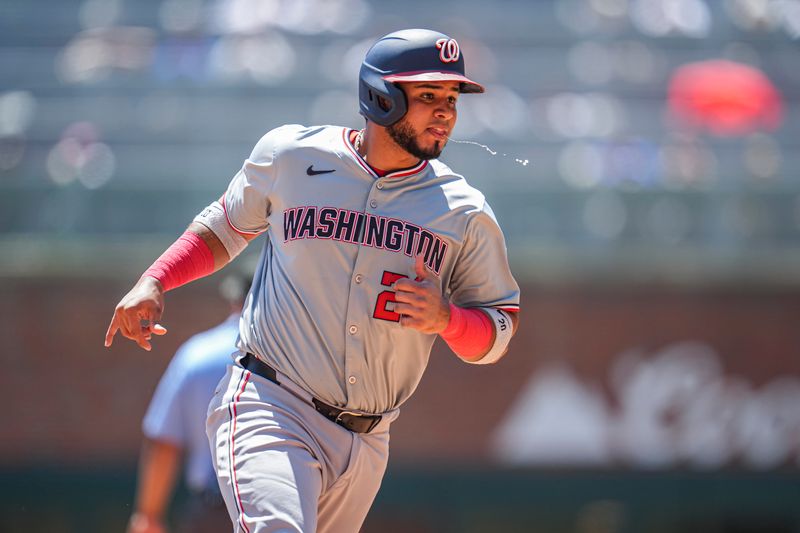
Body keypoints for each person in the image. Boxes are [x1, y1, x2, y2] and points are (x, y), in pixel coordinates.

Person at [106, 28, 520, 533]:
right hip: (271, 402)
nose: (446, 112)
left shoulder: (464, 211)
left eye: (452, 99)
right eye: (428, 96)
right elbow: (224, 227)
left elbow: (498, 331)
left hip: (368, 439)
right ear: (381, 96)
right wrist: (156, 279)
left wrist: (446, 319)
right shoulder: (293, 157)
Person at [127, 274, 251, 533]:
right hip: (298, 510)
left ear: (233, 300)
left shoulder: (197, 354)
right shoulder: (300, 355)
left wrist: (148, 515)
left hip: (213, 515)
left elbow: (164, 443)